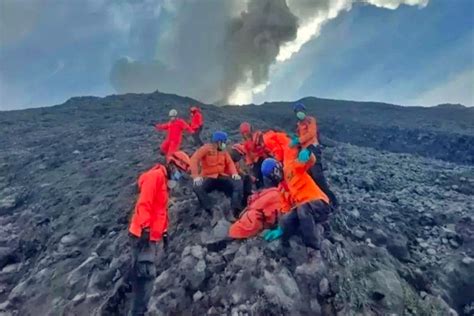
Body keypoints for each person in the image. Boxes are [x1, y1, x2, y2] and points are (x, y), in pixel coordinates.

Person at [128, 151, 191, 316]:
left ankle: (136, 303)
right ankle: (138, 311)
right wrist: (145, 230)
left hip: (151, 236)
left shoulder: (163, 181)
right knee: (145, 278)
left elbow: (160, 211)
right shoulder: (154, 177)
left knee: (143, 274)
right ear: (171, 165)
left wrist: (163, 232)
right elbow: (144, 205)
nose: (179, 177)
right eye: (179, 172)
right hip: (143, 235)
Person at [260, 147, 331, 253]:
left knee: (302, 208)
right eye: (272, 175)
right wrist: (281, 228)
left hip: (320, 205)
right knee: (286, 219)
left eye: (274, 172)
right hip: (306, 212)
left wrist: (308, 153)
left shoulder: (292, 168)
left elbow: (309, 162)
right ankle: (285, 249)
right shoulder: (281, 189)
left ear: (278, 166)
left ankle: (313, 247)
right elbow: (284, 209)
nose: (275, 175)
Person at [291, 102, 338, 208]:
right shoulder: (298, 126)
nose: (300, 113)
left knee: (318, 175)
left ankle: (332, 201)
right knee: (310, 177)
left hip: (313, 149)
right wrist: (295, 142)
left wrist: (298, 140)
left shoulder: (310, 120)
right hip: (304, 153)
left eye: (301, 111)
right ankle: (320, 200)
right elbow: (299, 139)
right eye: (298, 112)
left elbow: (311, 133)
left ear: (304, 111)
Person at [190, 131, 243, 218]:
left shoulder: (223, 151)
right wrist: (196, 177)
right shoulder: (205, 149)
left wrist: (234, 173)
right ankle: (211, 209)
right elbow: (194, 159)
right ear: (218, 142)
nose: (225, 144)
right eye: (224, 142)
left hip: (221, 176)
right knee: (197, 187)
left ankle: (235, 209)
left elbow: (229, 162)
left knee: (238, 182)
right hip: (208, 177)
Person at [239, 122, 268, 189]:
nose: (245, 134)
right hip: (257, 162)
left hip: (262, 158)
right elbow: (248, 155)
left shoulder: (257, 135)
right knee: (258, 178)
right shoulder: (246, 144)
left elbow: (262, 145)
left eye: (246, 132)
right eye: (244, 133)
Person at [228, 143, 253, 207]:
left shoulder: (235, 161)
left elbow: (238, 170)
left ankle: (247, 197)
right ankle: (236, 207)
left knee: (247, 178)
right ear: (235, 152)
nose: (241, 157)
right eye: (240, 155)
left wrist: (248, 176)